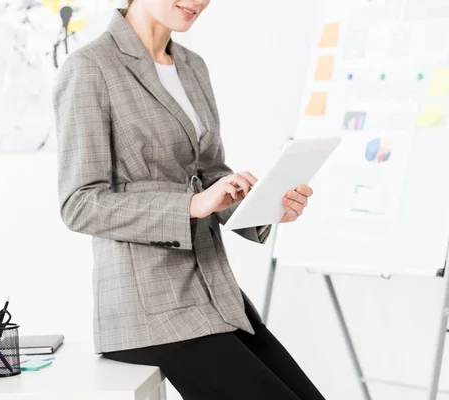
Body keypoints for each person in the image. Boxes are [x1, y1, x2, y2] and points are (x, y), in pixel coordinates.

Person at [53, 1, 324, 399]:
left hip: (215, 294)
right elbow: (79, 203)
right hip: (146, 309)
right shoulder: (91, 67)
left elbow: (211, 173)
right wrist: (190, 206)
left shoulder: (192, 66)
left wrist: (266, 205)